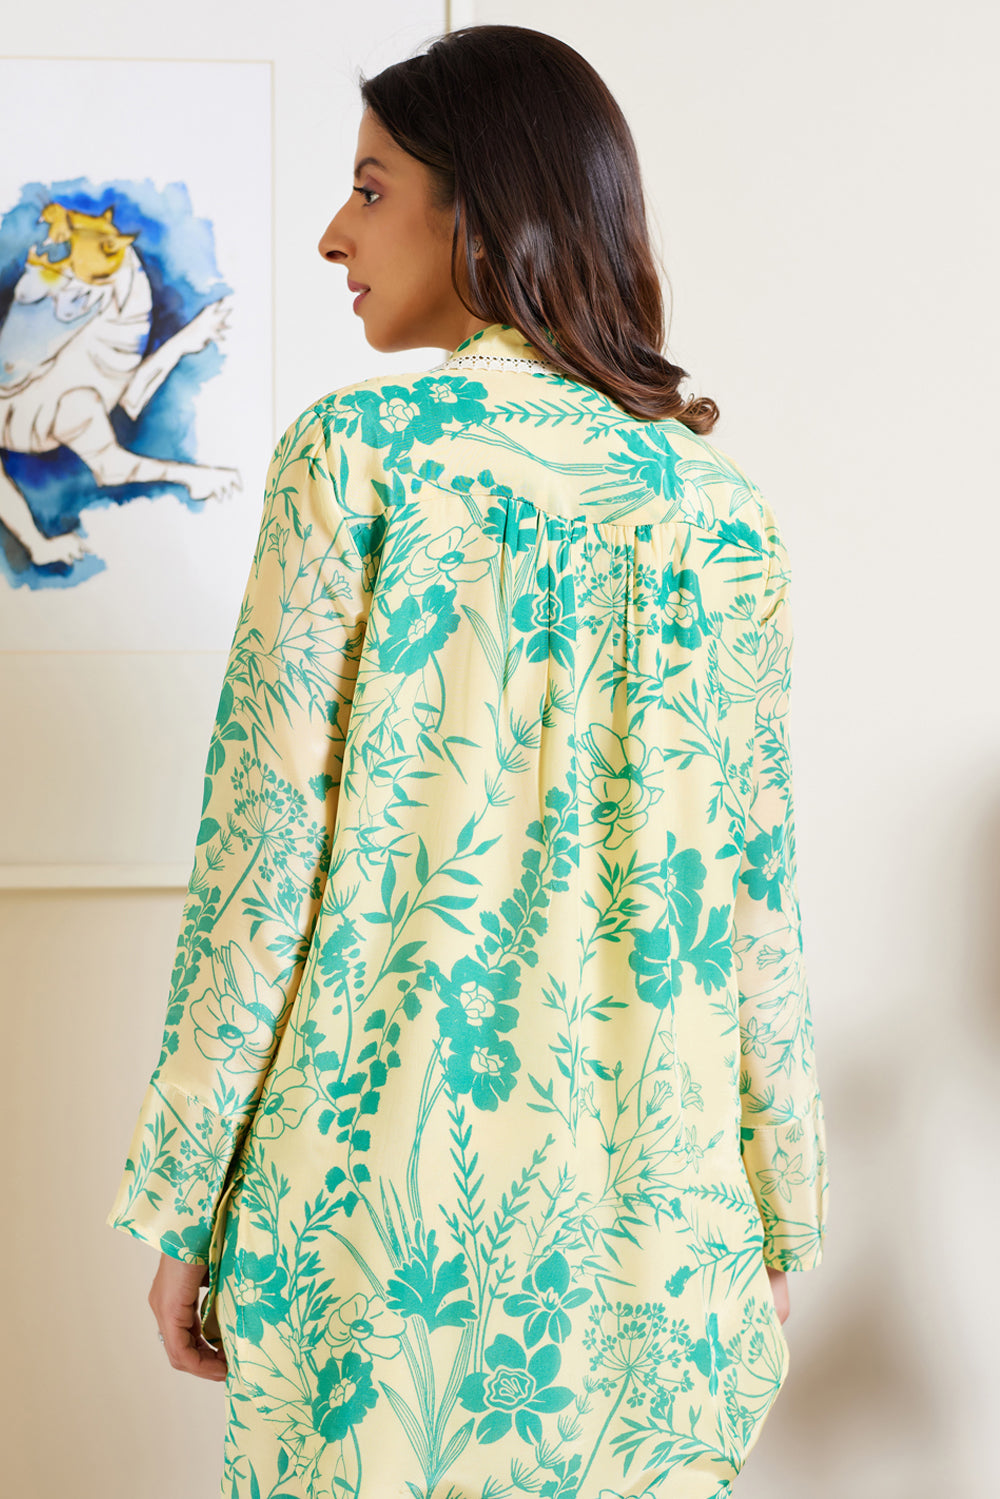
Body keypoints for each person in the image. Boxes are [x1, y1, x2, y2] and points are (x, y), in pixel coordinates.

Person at [108, 24, 827, 1499]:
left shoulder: (357, 457)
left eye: (371, 188)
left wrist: (186, 1203)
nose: (333, 232)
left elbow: (263, 872)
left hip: (376, 1236)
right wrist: (777, 1218)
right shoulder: (724, 513)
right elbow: (755, 906)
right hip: (661, 1247)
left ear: (483, 206)